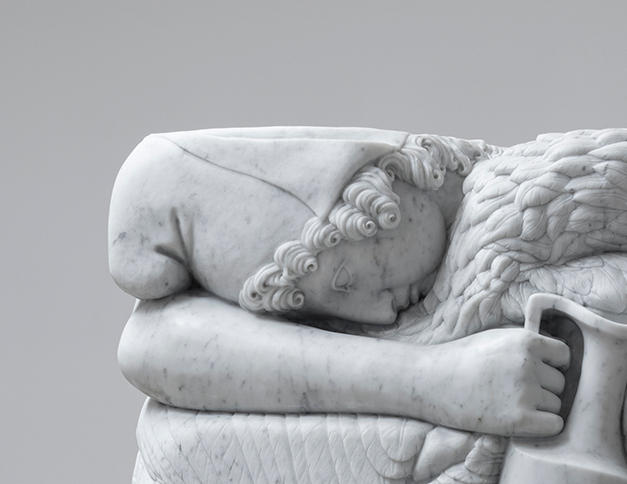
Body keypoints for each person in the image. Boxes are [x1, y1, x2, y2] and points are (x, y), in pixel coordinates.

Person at [107, 125, 572, 439]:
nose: (381, 315)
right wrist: (433, 380)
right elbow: (149, 342)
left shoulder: (524, 196)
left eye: (344, 280)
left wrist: (432, 380)